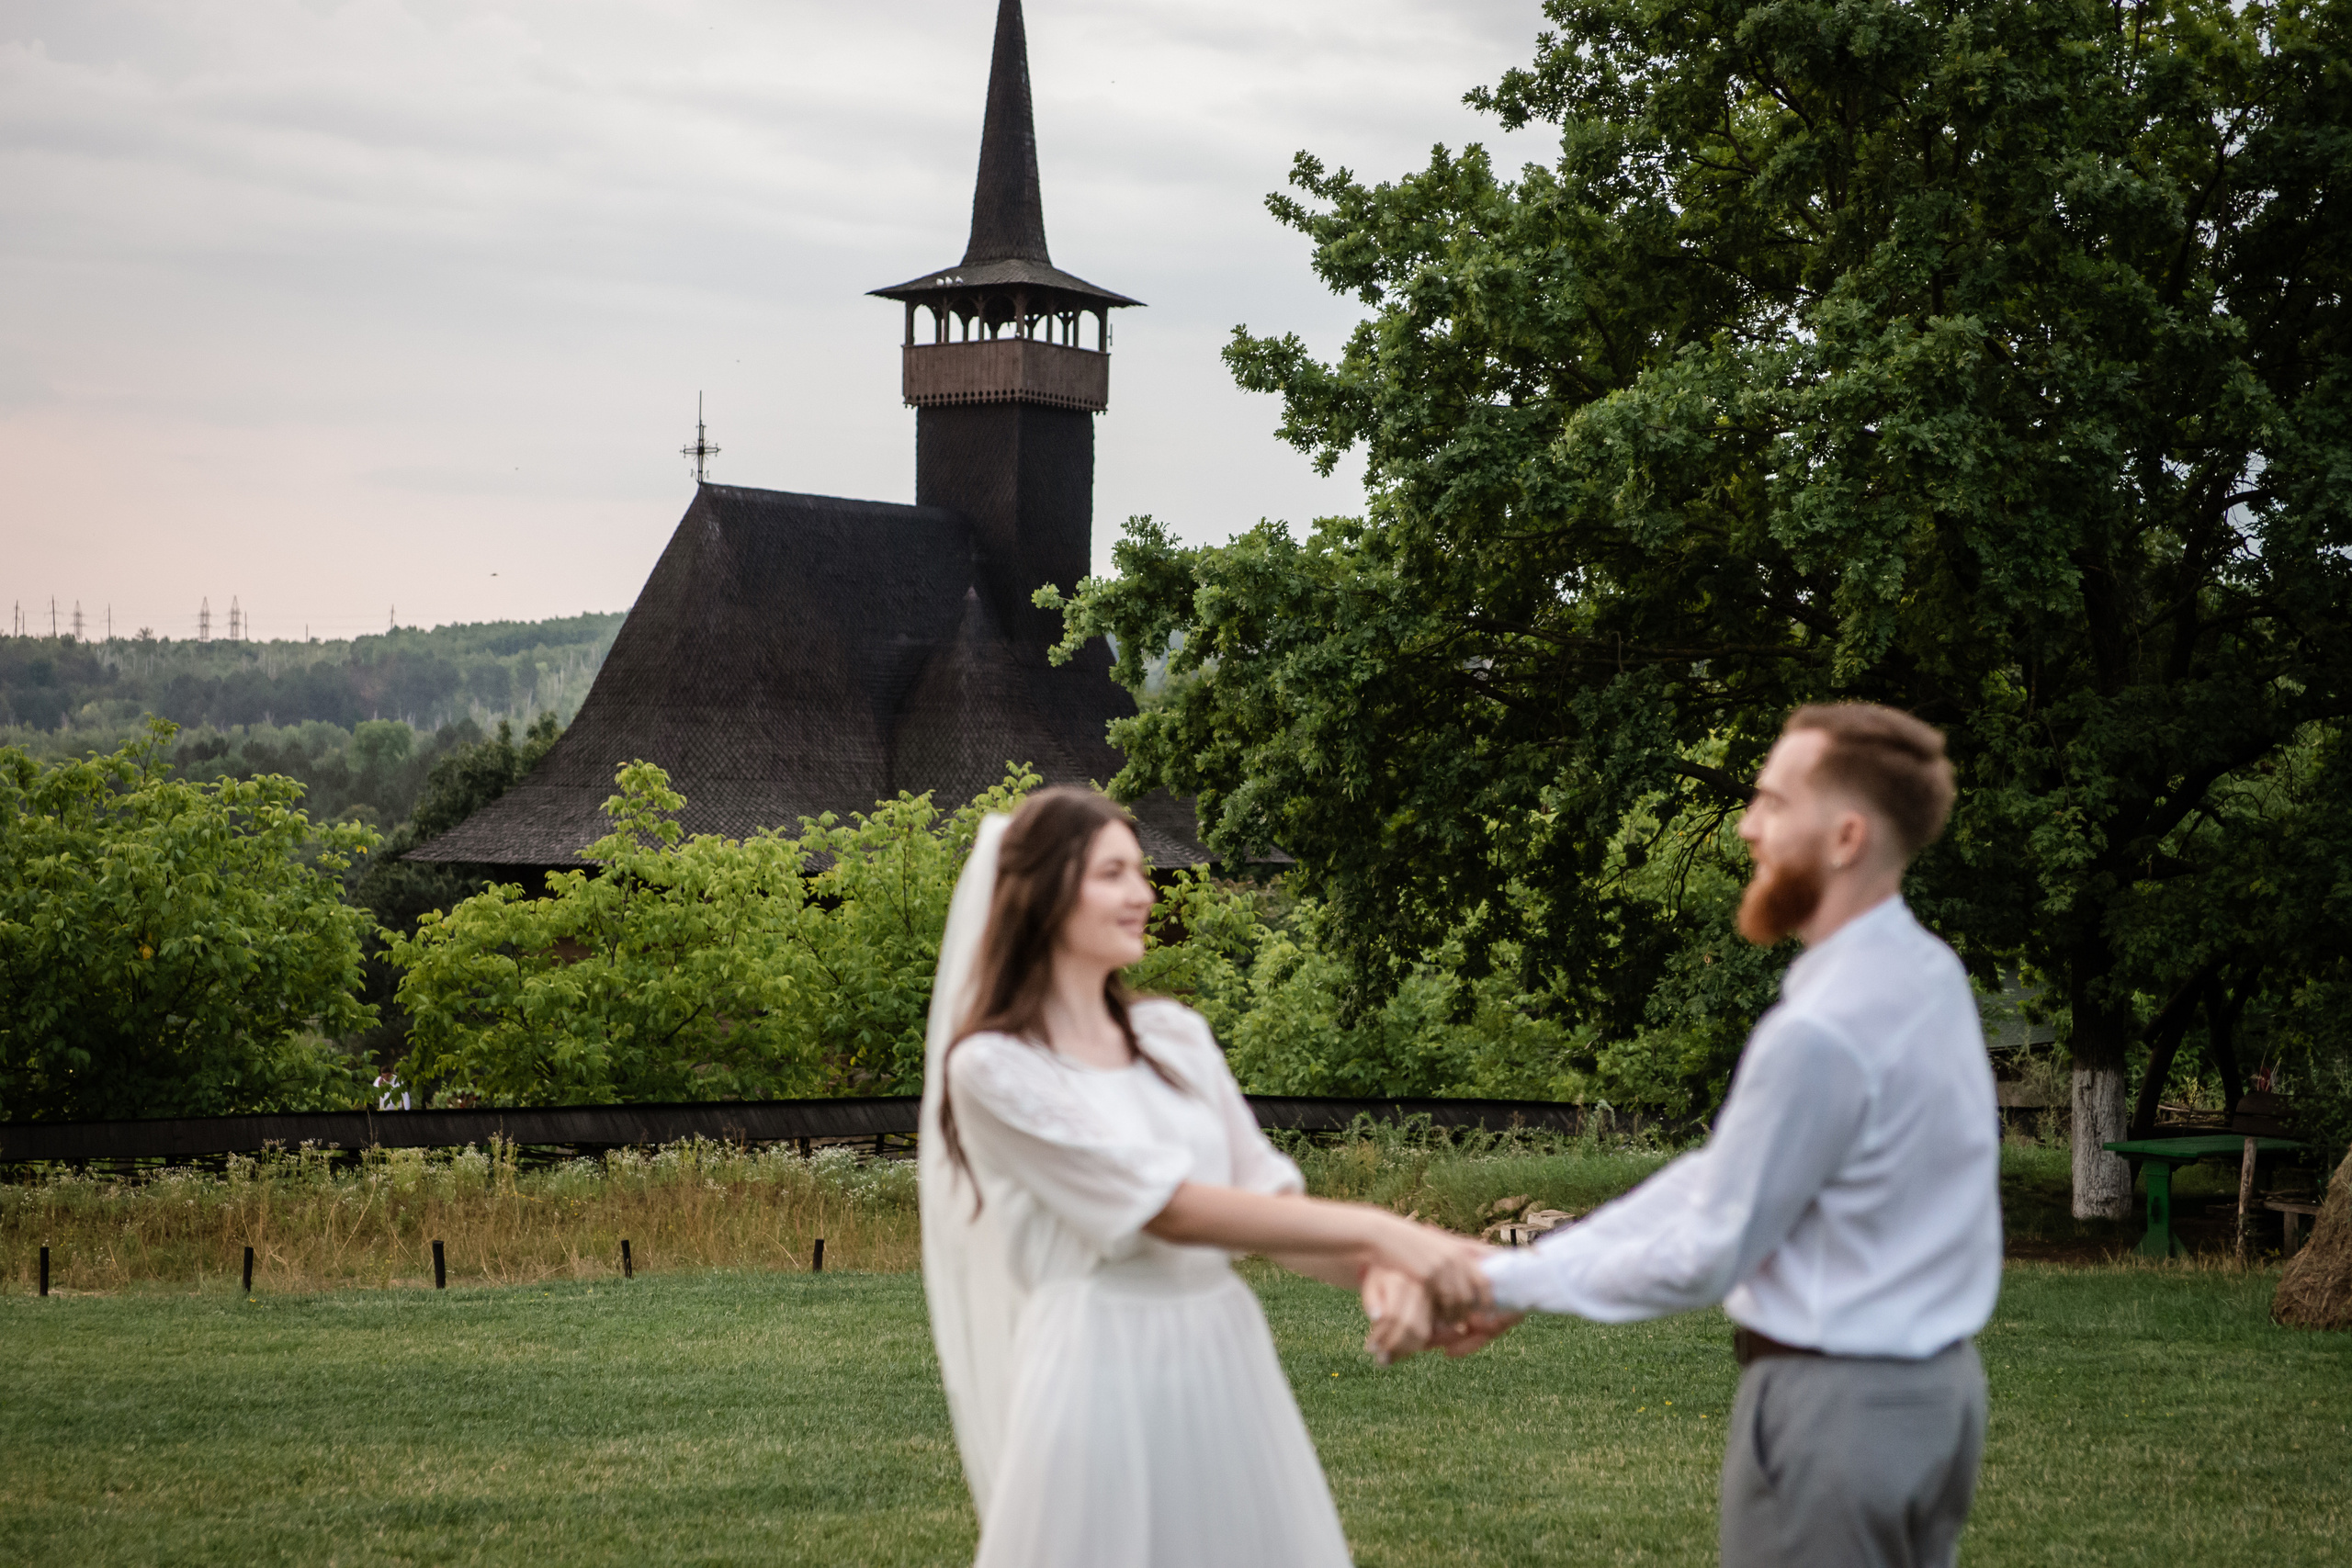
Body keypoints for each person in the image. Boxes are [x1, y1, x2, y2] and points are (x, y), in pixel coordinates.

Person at [1383, 703, 2003, 1568]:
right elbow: (1726, 1175)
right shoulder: (1928, 976)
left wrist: (1511, 1277)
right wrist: (1521, 1276)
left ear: (1846, 835)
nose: (1748, 825)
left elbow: (1709, 1247)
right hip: (1936, 1400)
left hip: (1832, 1418)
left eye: (1775, 802)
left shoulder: (1820, 1031)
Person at [919, 786, 1488, 1568]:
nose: (1143, 893)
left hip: (1221, 1356)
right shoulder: (994, 1069)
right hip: (1099, 1365)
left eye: (1141, 871)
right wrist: (1386, 1231)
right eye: (1112, 873)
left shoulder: (1175, 1036)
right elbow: (1170, 1210)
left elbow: (1265, 1205)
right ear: (1044, 891)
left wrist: (1374, 1274)